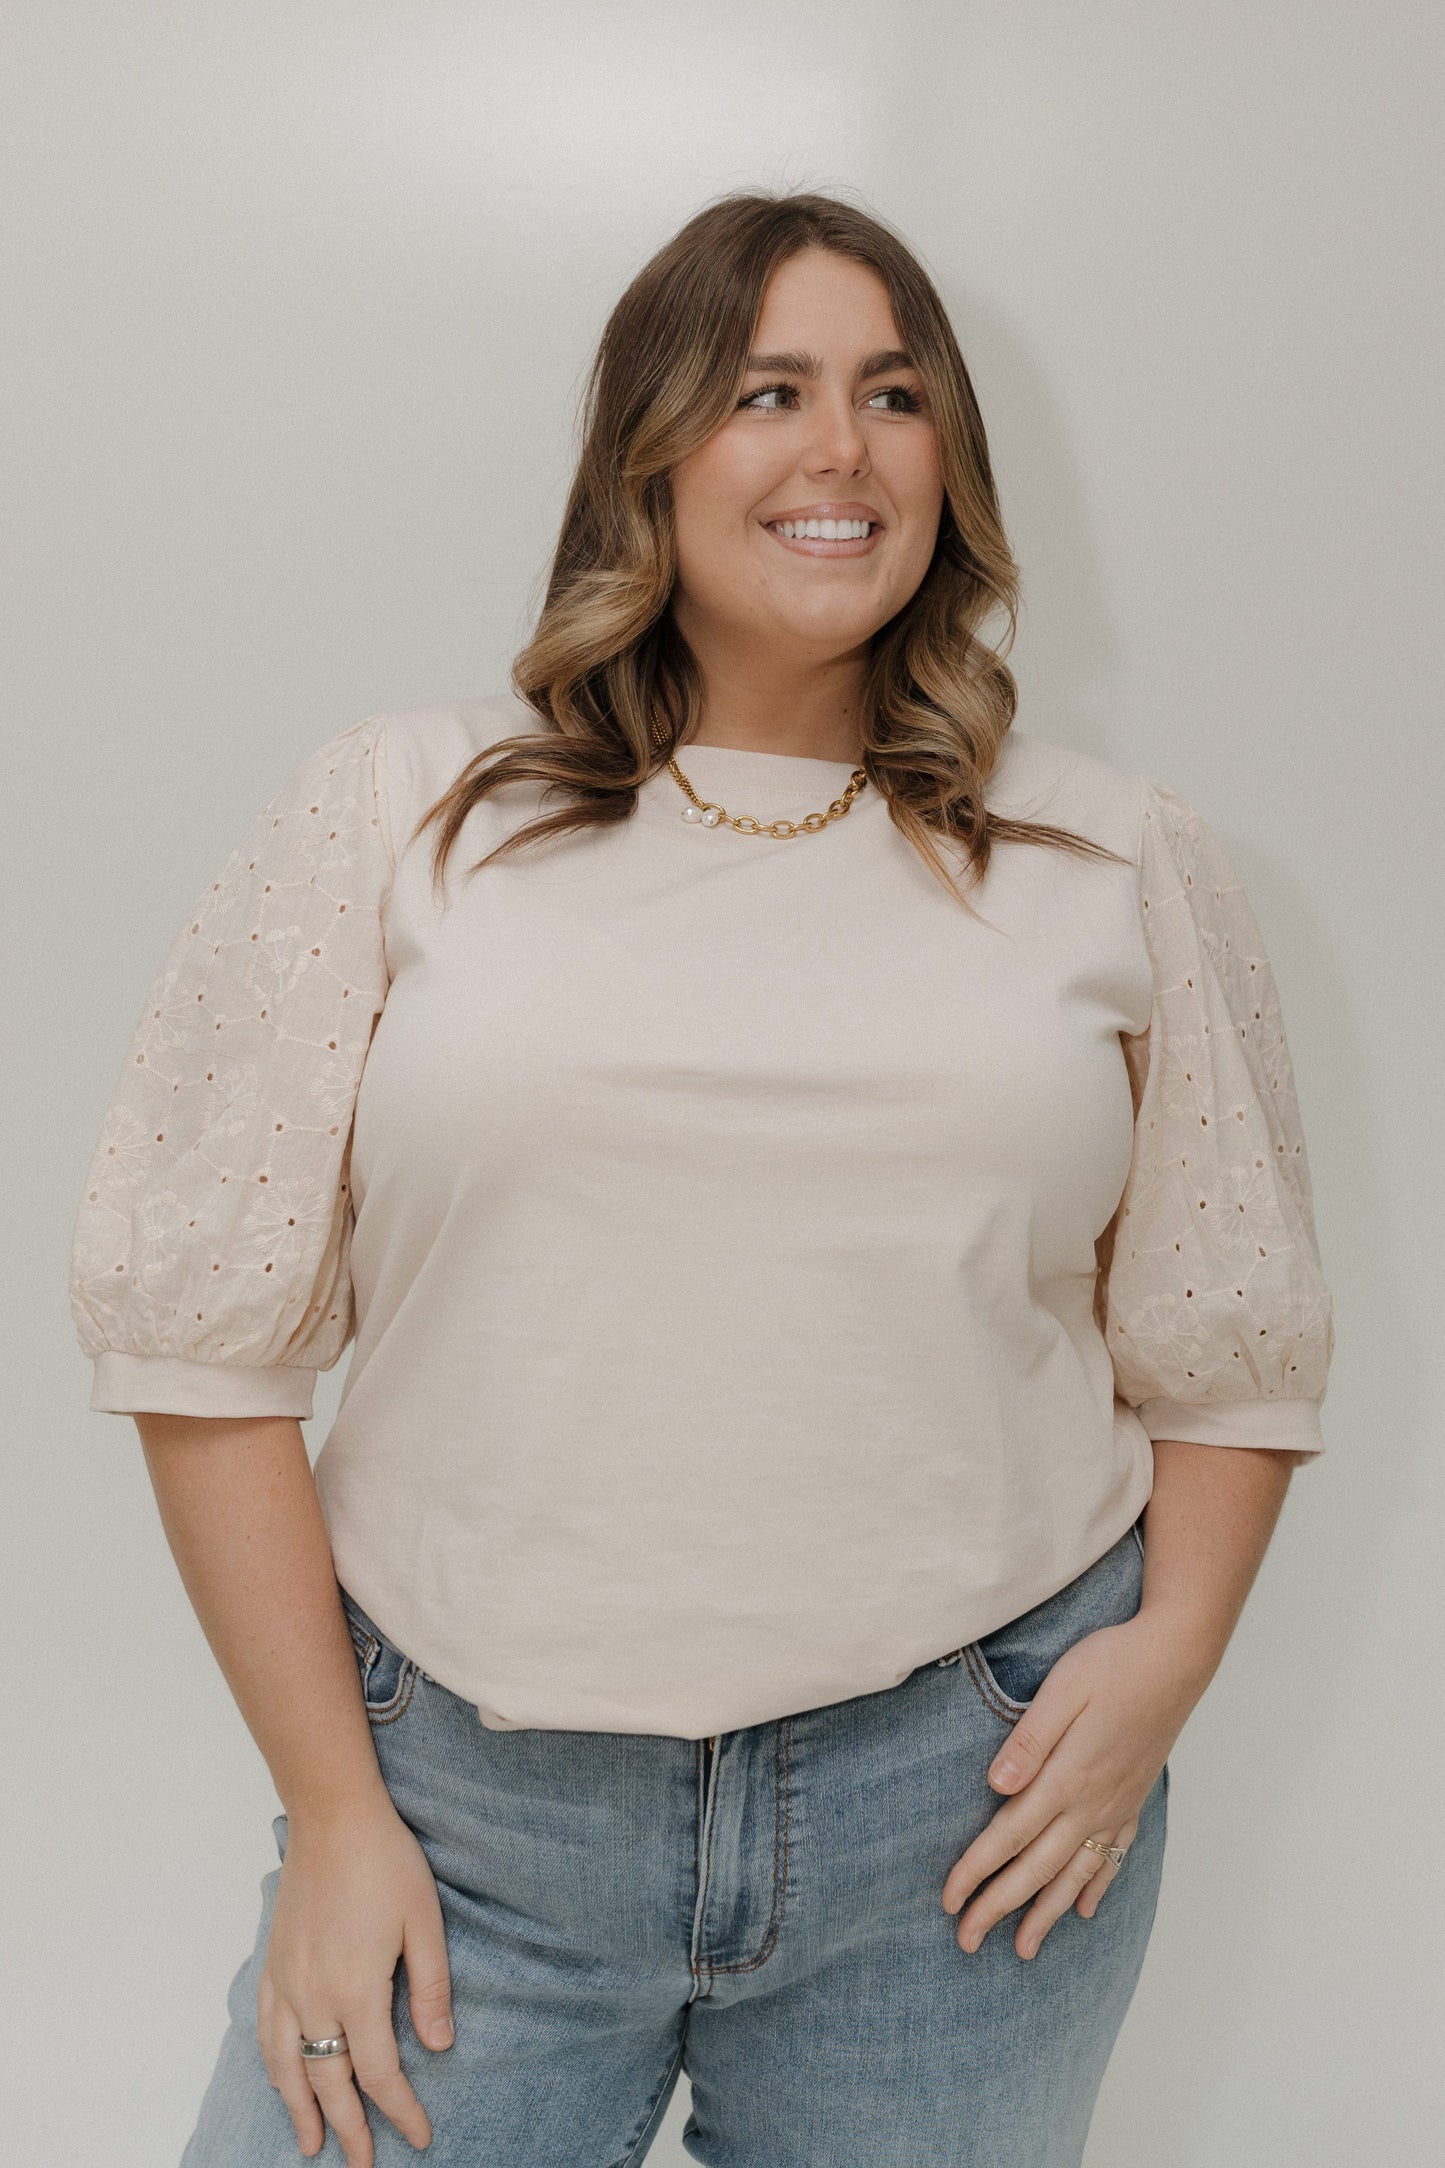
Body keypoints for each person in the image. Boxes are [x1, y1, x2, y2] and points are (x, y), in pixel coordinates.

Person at [68, 190, 1334, 2168]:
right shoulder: (403, 810)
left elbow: (1229, 1340)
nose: (843, 450)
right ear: (645, 454)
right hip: (464, 1816)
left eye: (893, 396)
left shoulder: (1111, 856)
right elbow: (200, 1346)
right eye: (768, 392)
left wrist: (1166, 1662)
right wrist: (330, 1812)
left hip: (970, 1818)